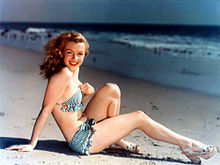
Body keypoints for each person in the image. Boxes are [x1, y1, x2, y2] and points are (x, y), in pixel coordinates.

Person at [6, 31, 216, 164]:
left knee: (111, 88)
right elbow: (47, 108)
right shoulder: (62, 74)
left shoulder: (74, 73)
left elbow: (70, 110)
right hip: (81, 140)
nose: (74, 58)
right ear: (61, 53)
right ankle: (187, 144)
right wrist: (32, 143)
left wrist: (86, 96)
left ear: (85, 54)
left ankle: (117, 139)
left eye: (79, 54)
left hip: (84, 126)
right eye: (69, 53)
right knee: (140, 117)